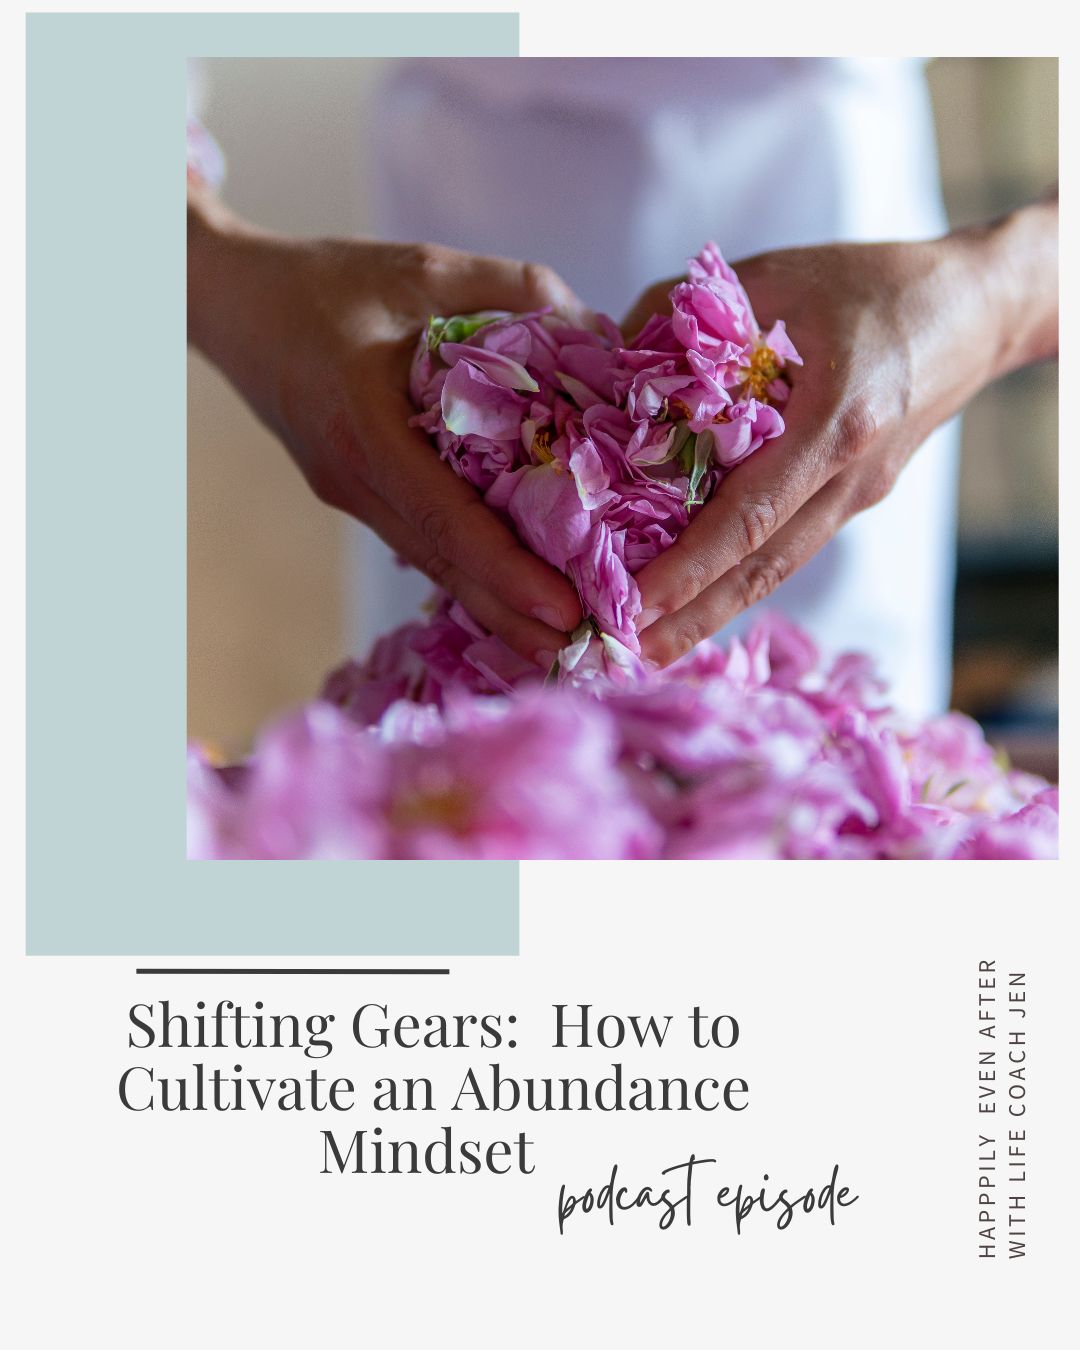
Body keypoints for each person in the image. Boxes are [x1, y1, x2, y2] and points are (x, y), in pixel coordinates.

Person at [187, 58, 1057, 715]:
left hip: (848, 292)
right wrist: (205, 261)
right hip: (455, 246)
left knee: (818, 798)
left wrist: (1012, 288)